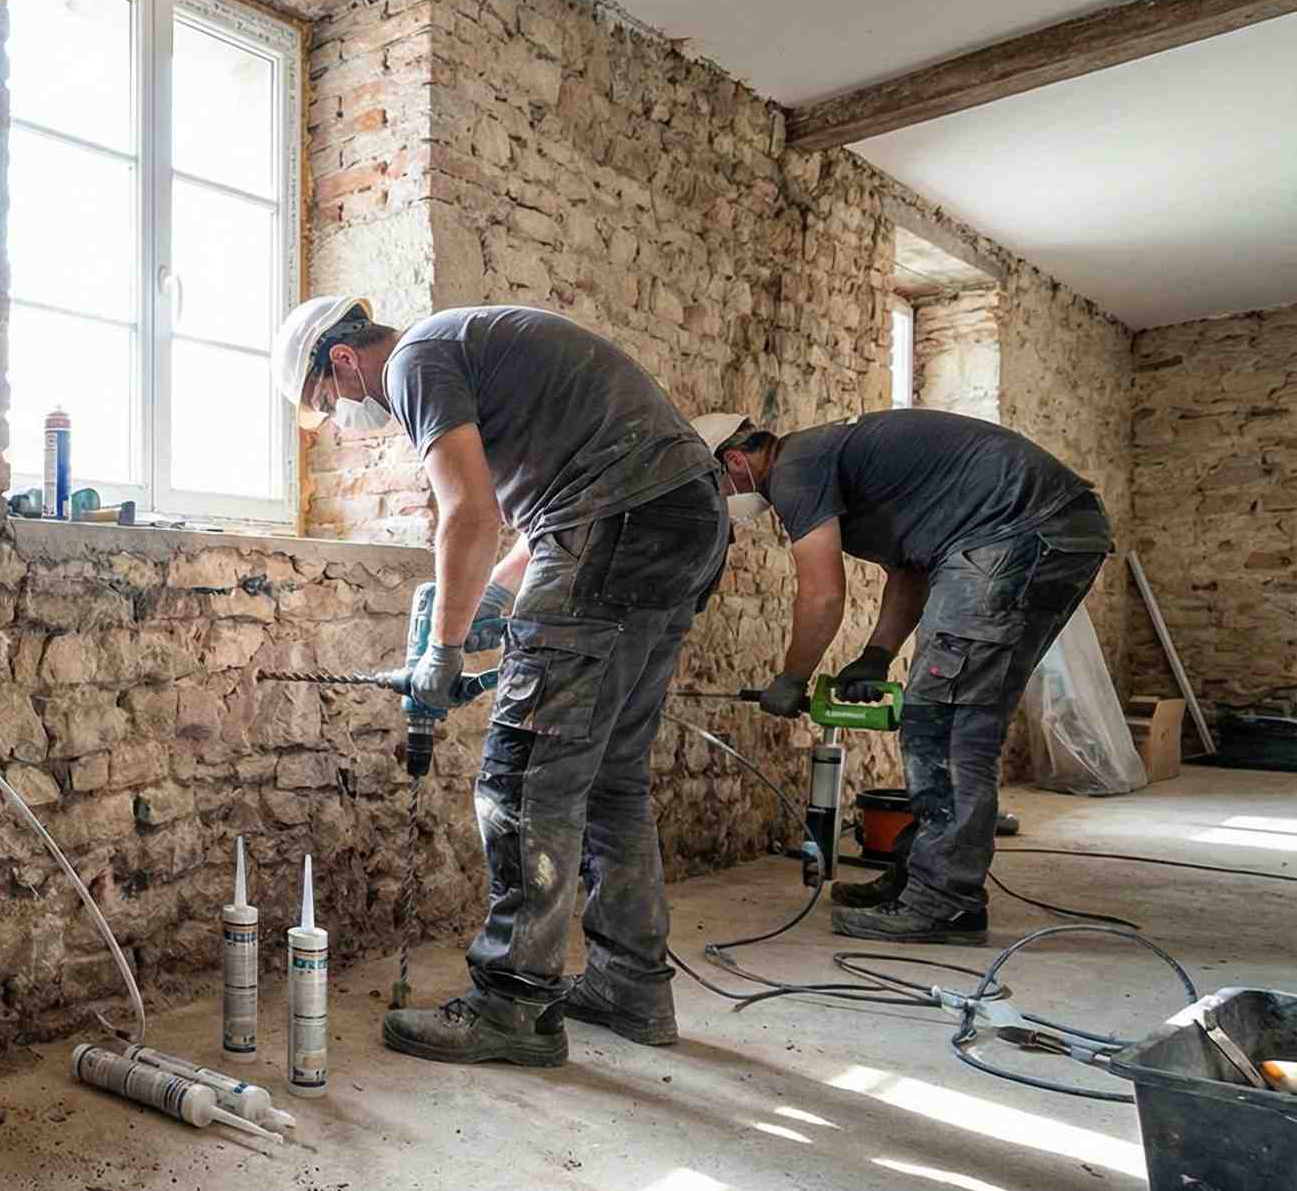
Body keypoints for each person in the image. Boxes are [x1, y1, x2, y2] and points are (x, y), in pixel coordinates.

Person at [273, 298, 729, 1066]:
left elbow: (470, 516)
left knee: (521, 779)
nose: (345, 415)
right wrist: (490, 600)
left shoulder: (413, 362)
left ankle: (513, 1005)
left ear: (342, 359)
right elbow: (550, 516)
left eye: (328, 398)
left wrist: (443, 652)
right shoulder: (464, 341)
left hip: (615, 526)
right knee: (610, 777)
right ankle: (631, 986)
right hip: (682, 516)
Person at [702, 407, 1112, 945]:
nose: (719, 495)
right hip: (1044, 527)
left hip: (1016, 530)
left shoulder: (793, 469)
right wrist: (877, 654)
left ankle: (944, 902)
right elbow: (912, 565)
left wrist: (792, 677)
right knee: (946, 711)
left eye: (714, 482)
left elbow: (822, 595)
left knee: (945, 721)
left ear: (736, 461)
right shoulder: (831, 458)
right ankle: (921, 877)